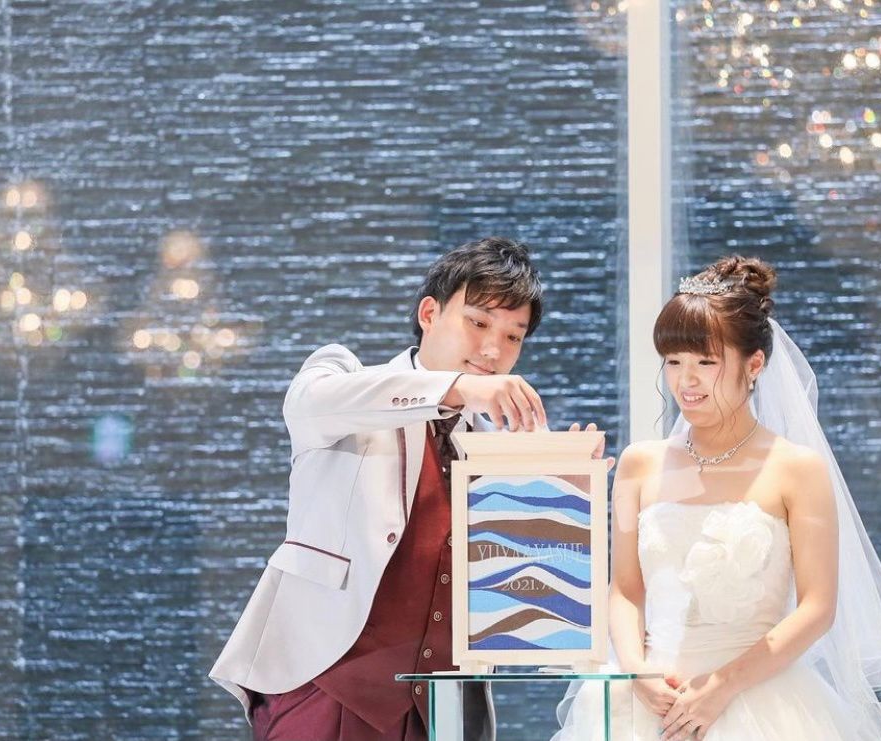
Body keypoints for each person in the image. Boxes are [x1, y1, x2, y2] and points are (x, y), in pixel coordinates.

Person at [210, 236, 612, 741]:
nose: (493, 350)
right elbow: (309, 403)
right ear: (429, 313)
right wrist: (457, 388)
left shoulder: (496, 444)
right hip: (329, 680)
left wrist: (564, 490)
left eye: (514, 336)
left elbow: (518, 587)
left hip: (447, 705)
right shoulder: (346, 380)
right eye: (479, 323)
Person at [553, 256, 881, 741]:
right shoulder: (637, 464)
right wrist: (636, 671)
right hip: (647, 700)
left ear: (754, 365)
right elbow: (625, 589)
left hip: (760, 701)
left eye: (706, 362)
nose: (686, 381)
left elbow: (817, 608)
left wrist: (721, 686)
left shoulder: (797, 469)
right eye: (674, 361)